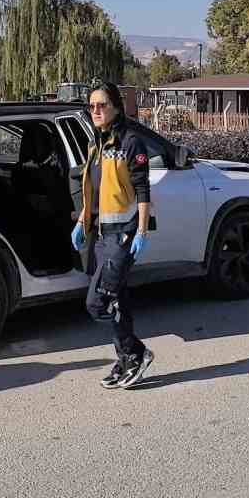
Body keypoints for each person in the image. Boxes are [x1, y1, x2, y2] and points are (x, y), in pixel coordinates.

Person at [71, 82, 156, 390]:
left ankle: (136, 351)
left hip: (123, 235)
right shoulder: (97, 142)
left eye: (102, 105)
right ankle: (126, 359)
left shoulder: (130, 142)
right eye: (91, 106)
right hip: (103, 235)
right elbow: (95, 189)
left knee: (98, 302)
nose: (95, 111)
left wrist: (142, 231)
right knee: (117, 299)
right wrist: (82, 221)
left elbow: (143, 190)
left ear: (116, 107)